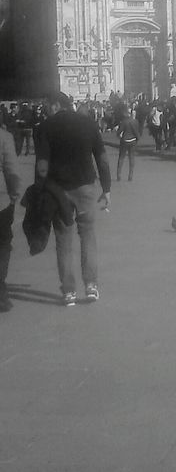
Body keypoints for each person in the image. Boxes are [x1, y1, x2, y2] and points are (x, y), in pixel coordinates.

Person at [35, 91, 111, 306]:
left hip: (58, 190)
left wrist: (39, 191)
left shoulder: (46, 127)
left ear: (56, 104)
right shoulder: (88, 123)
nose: (47, 109)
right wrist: (107, 188)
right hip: (86, 186)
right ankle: (91, 285)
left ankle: (68, 291)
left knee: (63, 239)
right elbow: (102, 159)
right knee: (87, 235)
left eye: (48, 105)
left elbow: (42, 165)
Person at [0, 124, 21, 311]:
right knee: (3, 245)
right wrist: (14, 196)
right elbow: (11, 171)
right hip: (1, 203)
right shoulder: (4, 137)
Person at [115, 103, 140, 181]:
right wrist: (137, 139)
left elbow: (119, 132)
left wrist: (119, 136)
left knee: (121, 158)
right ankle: (130, 175)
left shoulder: (124, 122)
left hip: (125, 140)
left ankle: (119, 175)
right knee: (131, 158)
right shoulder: (135, 121)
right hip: (133, 141)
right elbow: (137, 132)